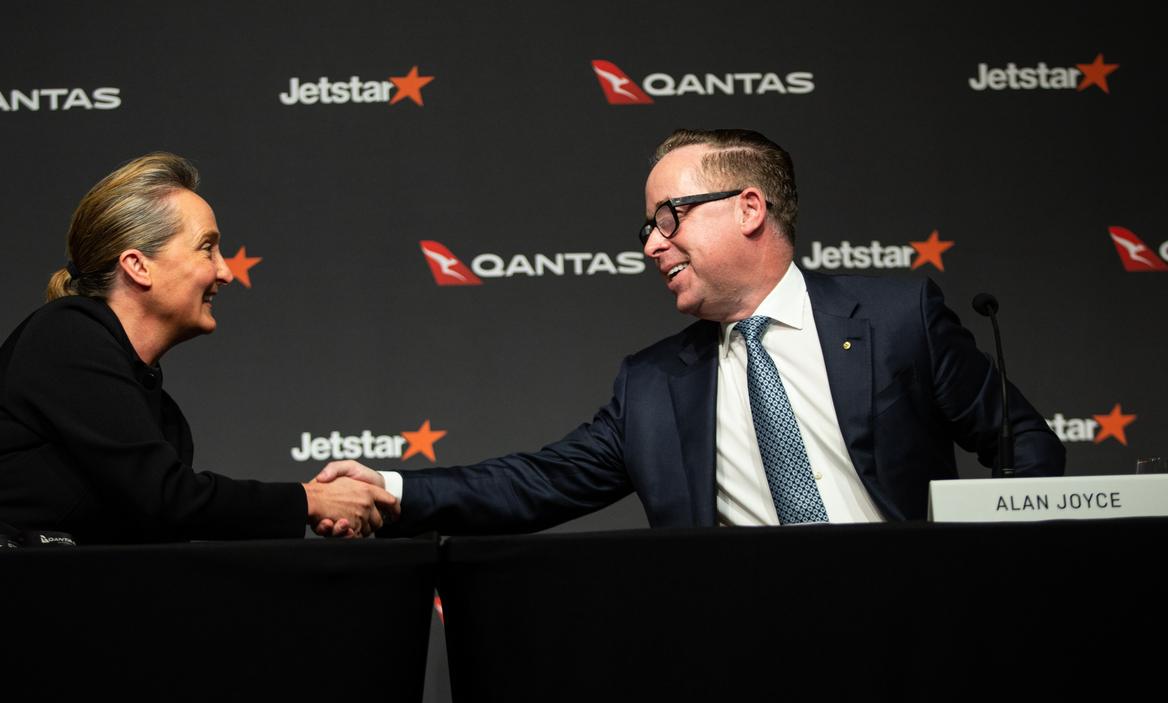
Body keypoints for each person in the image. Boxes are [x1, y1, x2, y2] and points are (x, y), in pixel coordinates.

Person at [315, 128, 1065, 536]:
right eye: (647, 227)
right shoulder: (652, 385)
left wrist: (986, 571)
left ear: (748, 208)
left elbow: (1024, 441)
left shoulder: (898, 318)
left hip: (916, 631)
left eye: (668, 219)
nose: (651, 245)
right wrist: (394, 487)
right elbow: (535, 483)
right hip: (742, 650)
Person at [0, 152, 397, 544]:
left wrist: (320, 508)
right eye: (207, 248)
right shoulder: (66, 333)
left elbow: (165, 521)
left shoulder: (162, 414)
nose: (225, 272)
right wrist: (309, 501)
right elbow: (168, 498)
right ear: (138, 266)